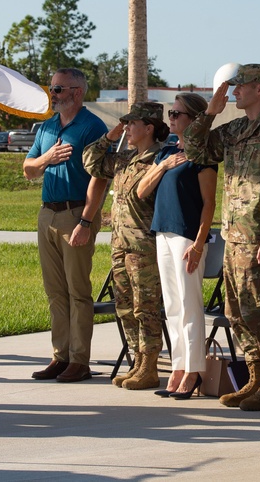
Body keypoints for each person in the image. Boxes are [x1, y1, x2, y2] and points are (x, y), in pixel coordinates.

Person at [184, 64, 260, 411]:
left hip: (258, 236)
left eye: (240, 86)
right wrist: (208, 113)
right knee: (236, 311)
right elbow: (194, 150)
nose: (233, 92)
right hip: (234, 235)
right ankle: (254, 378)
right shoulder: (235, 129)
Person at [24, 68, 108, 383]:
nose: (53, 95)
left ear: (76, 92)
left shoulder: (92, 127)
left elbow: (100, 177)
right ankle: (59, 356)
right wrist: (46, 158)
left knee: (77, 290)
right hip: (47, 212)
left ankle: (79, 360)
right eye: (51, 88)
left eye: (58, 89)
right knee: (55, 291)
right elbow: (28, 169)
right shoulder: (46, 128)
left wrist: (86, 221)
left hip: (77, 214)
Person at [136, 93, 217, 399]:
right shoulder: (166, 153)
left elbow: (209, 204)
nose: (171, 118)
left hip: (187, 235)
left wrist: (198, 243)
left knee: (189, 304)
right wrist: (165, 164)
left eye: (177, 114)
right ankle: (178, 366)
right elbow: (142, 191)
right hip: (162, 232)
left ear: (195, 119)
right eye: (171, 113)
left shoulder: (202, 154)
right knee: (171, 306)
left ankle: (195, 370)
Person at [83, 102, 169, 390]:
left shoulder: (161, 159)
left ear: (149, 127)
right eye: (126, 123)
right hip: (120, 244)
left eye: (133, 123)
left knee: (146, 307)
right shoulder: (124, 159)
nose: (128, 128)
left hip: (144, 246)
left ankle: (150, 365)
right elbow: (91, 162)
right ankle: (137, 360)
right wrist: (111, 135)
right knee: (124, 307)